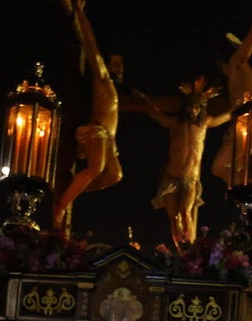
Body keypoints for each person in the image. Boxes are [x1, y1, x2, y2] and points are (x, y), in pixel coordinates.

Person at [52, 0, 123, 231]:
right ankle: (61, 205)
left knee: (114, 175)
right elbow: (91, 44)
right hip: (96, 130)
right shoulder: (102, 78)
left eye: (121, 65)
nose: (120, 68)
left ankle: (72, 190)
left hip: (107, 139)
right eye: (116, 64)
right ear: (107, 65)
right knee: (95, 168)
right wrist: (80, 13)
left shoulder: (112, 89)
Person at [136, 78, 232, 250]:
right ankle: (180, 250)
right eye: (190, 106)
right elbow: (156, 113)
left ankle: (189, 248)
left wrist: (242, 105)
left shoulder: (204, 123)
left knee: (185, 213)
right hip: (171, 177)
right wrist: (144, 101)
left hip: (190, 179)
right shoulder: (175, 123)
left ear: (201, 108)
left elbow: (226, 116)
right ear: (185, 107)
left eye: (196, 107)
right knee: (174, 217)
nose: (193, 110)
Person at [210, 0, 252, 186]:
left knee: (219, 167)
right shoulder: (241, 76)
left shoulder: (236, 63)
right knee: (233, 169)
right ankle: (248, 194)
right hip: (249, 125)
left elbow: (251, 40)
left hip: (246, 124)